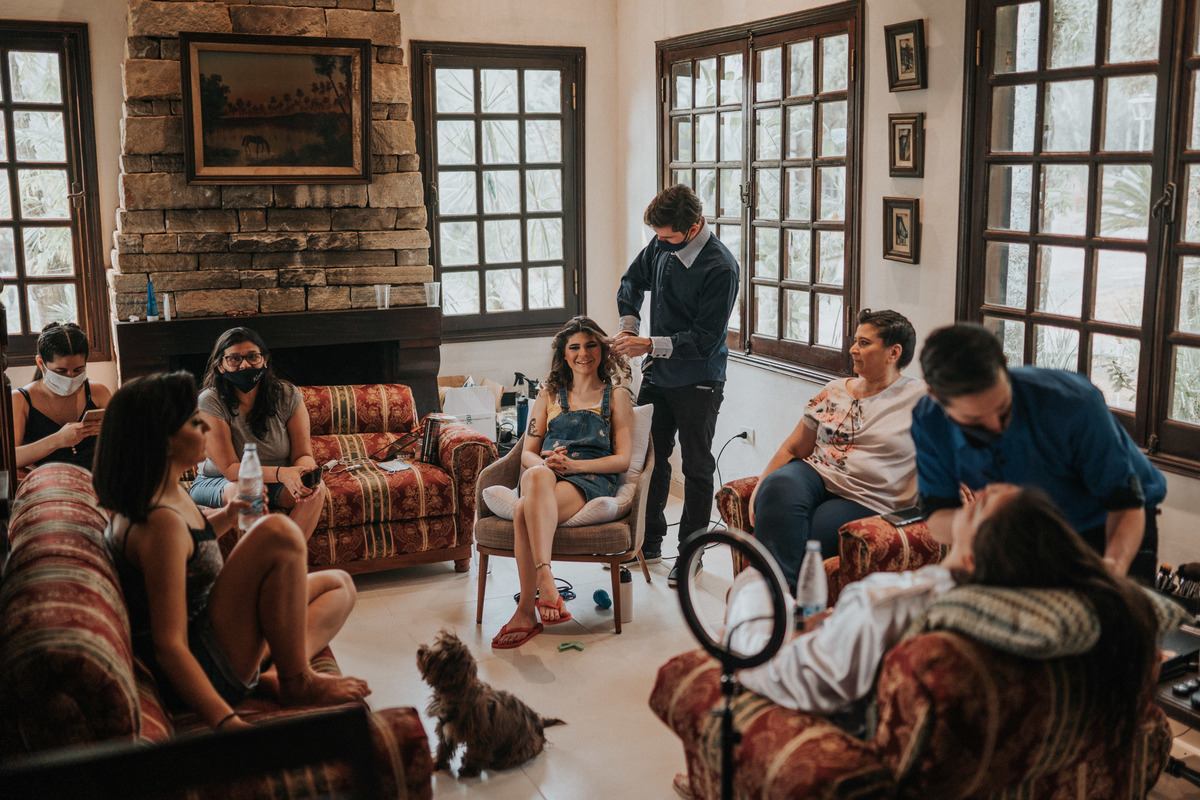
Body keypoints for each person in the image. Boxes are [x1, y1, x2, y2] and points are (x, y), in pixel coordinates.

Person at [725, 485, 1163, 746]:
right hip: (839, 646)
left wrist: (759, 605)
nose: (976, 493)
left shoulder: (886, 604)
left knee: (755, 584)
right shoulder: (1043, 606)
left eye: (979, 507)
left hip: (822, 704)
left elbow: (791, 678)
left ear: (974, 556)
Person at [94, 372, 370, 731]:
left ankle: (276, 674)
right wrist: (227, 722)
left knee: (340, 585)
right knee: (277, 532)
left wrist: (228, 515)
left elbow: (188, 548)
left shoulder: (163, 491)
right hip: (209, 666)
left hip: (215, 637)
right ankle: (297, 680)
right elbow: (169, 645)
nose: (206, 428)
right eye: (194, 422)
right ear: (163, 440)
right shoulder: (158, 524)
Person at [911, 322, 1165, 581]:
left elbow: (1125, 502)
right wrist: (986, 527)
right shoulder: (929, 420)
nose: (997, 427)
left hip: (1107, 522)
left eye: (1003, 410)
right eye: (975, 422)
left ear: (1004, 365)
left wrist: (1113, 567)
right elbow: (938, 518)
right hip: (1020, 534)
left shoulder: (1072, 402)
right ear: (934, 396)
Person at [613, 183, 739, 588]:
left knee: (697, 466)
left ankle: (691, 553)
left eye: (667, 237)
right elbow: (631, 281)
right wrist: (629, 328)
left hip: (701, 379)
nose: (660, 243)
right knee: (650, 458)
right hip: (658, 374)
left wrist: (649, 344)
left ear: (693, 227)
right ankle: (648, 543)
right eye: (657, 236)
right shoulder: (661, 244)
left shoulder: (721, 268)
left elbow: (705, 339)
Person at [748, 309, 923, 588]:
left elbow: (956, 445)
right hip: (815, 474)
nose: (853, 349)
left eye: (864, 343)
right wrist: (762, 486)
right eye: (855, 341)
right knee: (777, 487)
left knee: (815, 531)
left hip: (865, 495)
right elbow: (794, 448)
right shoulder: (835, 389)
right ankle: (772, 597)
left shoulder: (921, 398)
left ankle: (780, 597)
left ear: (894, 352)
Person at [493, 317, 633, 648]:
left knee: (523, 510)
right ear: (564, 354)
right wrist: (546, 464)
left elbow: (622, 460)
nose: (583, 353)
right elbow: (528, 453)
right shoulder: (549, 394)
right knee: (536, 474)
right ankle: (546, 581)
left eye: (591, 345)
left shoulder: (616, 396)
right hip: (545, 473)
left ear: (602, 350)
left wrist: (574, 465)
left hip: (589, 478)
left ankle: (527, 610)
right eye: (575, 347)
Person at [189, 327, 326, 538]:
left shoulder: (287, 394)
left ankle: (282, 556)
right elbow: (230, 470)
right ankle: (267, 555)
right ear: (220, 366)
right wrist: (282, 473)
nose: (245, 365)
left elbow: (302, 454)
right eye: (234, 359)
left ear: (265, 360)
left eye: (252, 357)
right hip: (222, 481)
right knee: (246, 491)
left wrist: (304, 474)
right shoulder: (210, 401)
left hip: (276, 482)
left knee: (316, 491)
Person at [13, 322, 111, 470]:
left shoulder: (98, 393)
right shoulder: (20, 400)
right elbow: (10, 458)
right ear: (41, 363)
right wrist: (58, 440)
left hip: (96, 477)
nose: (70, 377)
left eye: (78, 370)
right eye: (61, 371)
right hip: (48, 480)